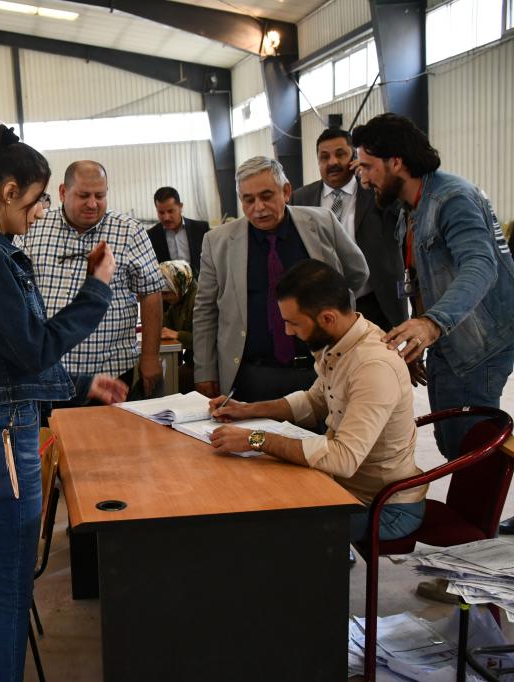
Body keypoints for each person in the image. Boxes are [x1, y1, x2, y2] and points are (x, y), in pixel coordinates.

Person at [0, 124, 126, 681]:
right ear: (8, 192)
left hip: (3, 420)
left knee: (10, 579)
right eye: (38, 199)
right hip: (4, 433)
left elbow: (11, 362)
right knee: (12, 582)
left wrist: (80, 383)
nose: (42, 211)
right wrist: (96, 288)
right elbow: (33, 348)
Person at [352, 114, 514, 547]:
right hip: (449, 339)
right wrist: (421, 337)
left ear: (396, 162)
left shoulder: (452, 199)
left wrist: (432, 323)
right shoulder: (412, 207)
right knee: (454, 443)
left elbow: (480, 265)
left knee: (473, 451)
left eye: (367, 166)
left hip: (478, 343)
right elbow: (420, 279)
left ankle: (476, 554)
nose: (362, 178)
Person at [208, 260, 426, 541]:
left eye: (294, 323)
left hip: (382, 507)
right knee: (252, 496)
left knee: (266, 528)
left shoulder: (373, 367)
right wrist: (246, 410)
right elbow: (313, 403)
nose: (288, 332)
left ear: (327, 318)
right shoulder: (341, 341)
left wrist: (256, 439)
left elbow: (343, 458)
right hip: (343, 488)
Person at [192, 156, 369, 402]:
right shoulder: (217, 242)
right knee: (251, 429)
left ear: (286, 192)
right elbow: (205, 310)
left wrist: (335, 307)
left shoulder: (322, 222)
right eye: (248, 200)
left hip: (319, 371)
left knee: (324, 428)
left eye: (266, 196)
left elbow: (357, 272)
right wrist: (204, 371)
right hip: (250, 376)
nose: (259, 207)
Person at [18, 160, 166, 398]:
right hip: (48, 374)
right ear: (63, 192)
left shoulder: (129, 232)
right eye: (84, 195)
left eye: (100, 195)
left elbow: (151, 293)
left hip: (110, 373)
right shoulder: (34, 228)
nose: (92, 204)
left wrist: (150, 357)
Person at [290, 127, 407, 331]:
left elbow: (403, 214)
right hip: (321, 306)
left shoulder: (375, 190)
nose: (332, 162)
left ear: (354, 157)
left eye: (340, 154)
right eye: (324, 157)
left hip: (376, 302)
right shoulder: (300, 199)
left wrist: (370, 177)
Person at [146, 186, 209, 277]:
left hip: (200, 283)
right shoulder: (151, 236)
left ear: (180, 207)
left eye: (170, 211)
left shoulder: (201, 229)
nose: (166, 217)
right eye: (161, 212)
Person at [158, 260, 198, 393]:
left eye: (166, 293)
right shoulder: (177, 301)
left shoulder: (198, 300)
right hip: (192, 362)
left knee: (168, 384)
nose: (163, 297)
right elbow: (164, 329)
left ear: (179, 286)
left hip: (203, 366)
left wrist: (177, 335)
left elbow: (205, 340)